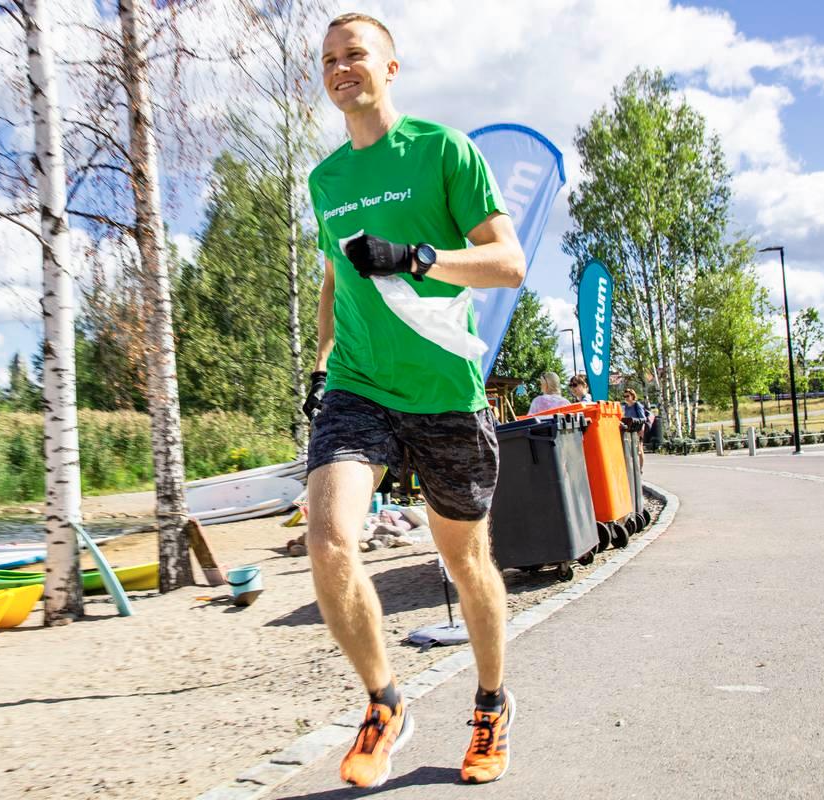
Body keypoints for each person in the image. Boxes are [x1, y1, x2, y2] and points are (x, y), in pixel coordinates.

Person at [302, 12, 524, 788]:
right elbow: (334, 276)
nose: (341, 68)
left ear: (390, 68)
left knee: (466, 561)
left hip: (443, 394)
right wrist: (324, 363)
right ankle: (384, 702)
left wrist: (418, 257)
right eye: (329, 59)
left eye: (355, 54)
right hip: (358, 389)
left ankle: (492, 702)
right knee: (327, 537)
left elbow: (509, 262)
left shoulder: (442, 151)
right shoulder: (324, 180)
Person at [622, 387, 647, 467]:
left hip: (638, 429)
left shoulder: (637, 405)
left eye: (627, 396)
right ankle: (632, 467)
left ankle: (640, 469)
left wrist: (642, 429)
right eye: (624, 396)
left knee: (639, 449)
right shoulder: (626, 406)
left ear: (632, 396)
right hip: (629, 429)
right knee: (630, 449)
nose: (626, 398)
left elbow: (643, 418)